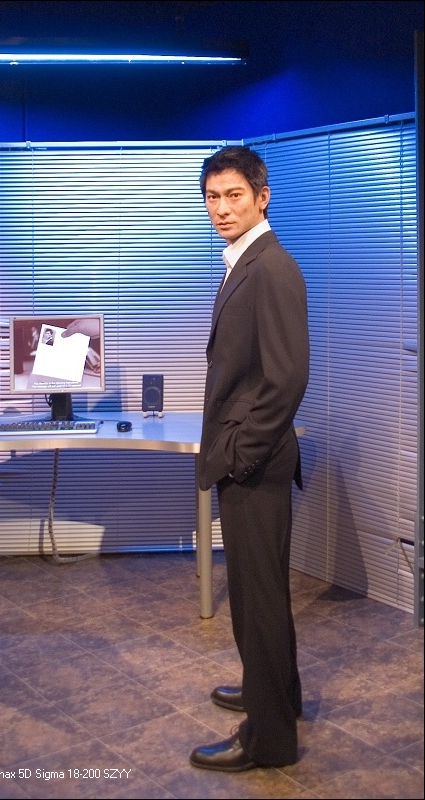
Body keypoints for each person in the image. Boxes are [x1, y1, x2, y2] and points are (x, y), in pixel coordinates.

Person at [189, 145, 310, 773]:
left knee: (257, 600)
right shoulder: (246, 261)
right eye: (212, 197)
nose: (221, 208)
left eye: (234, 195)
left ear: (262, 198)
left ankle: (270, 740)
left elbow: (287, 379)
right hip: (249, 458)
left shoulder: (272, 267)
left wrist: (240, 456)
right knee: (260, 593)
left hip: (254, 465)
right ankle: (275, 695)